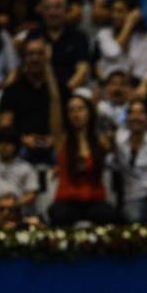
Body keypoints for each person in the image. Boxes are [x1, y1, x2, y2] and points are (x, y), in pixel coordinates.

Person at [47, 92, 118, 226]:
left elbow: (115, 134)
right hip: (67, 201)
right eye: (71, 110)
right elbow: (55, 100)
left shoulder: (101, 141)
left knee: (110, 214)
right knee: (59, 214)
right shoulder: (61, 139)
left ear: (89, 113)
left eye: (80, 109)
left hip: (94, 201)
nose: (76, 114)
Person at [0, 36, 61, 164]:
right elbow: (5, 124)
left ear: (46, 57)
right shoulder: (12, 90)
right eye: (30, 54)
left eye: (39, 54)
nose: (35, 58)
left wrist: (56, 138)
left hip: (55, 143)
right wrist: (22, 138)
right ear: (24, 58)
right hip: (24, 145)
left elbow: (68, 121)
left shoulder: (58, 88)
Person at [28, 0, 91, 95]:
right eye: (47, 8)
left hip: (71, 89)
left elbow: (83, 69)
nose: (52, 12)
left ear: (66, 10)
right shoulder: (34, 35)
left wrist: (66, 91)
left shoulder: (78, 36)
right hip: (38, 88)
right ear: (42, 11)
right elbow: (27, 68)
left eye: (57, 7)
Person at [93, 0, 147, 87]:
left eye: (120, 11)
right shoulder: (104, 34)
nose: (115, 15)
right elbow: (114, 53)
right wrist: (129, 24)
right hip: (109, 86)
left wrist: (143, 86)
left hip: (138, 85)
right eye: (113, 11)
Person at [0, 127, 38, 220]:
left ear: (16, 146)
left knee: (33, 217)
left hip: (17, 207)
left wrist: (11, 204)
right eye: (1, 142)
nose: (4, 146)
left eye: (9, 143)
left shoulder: (26, 167)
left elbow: (32, 195)